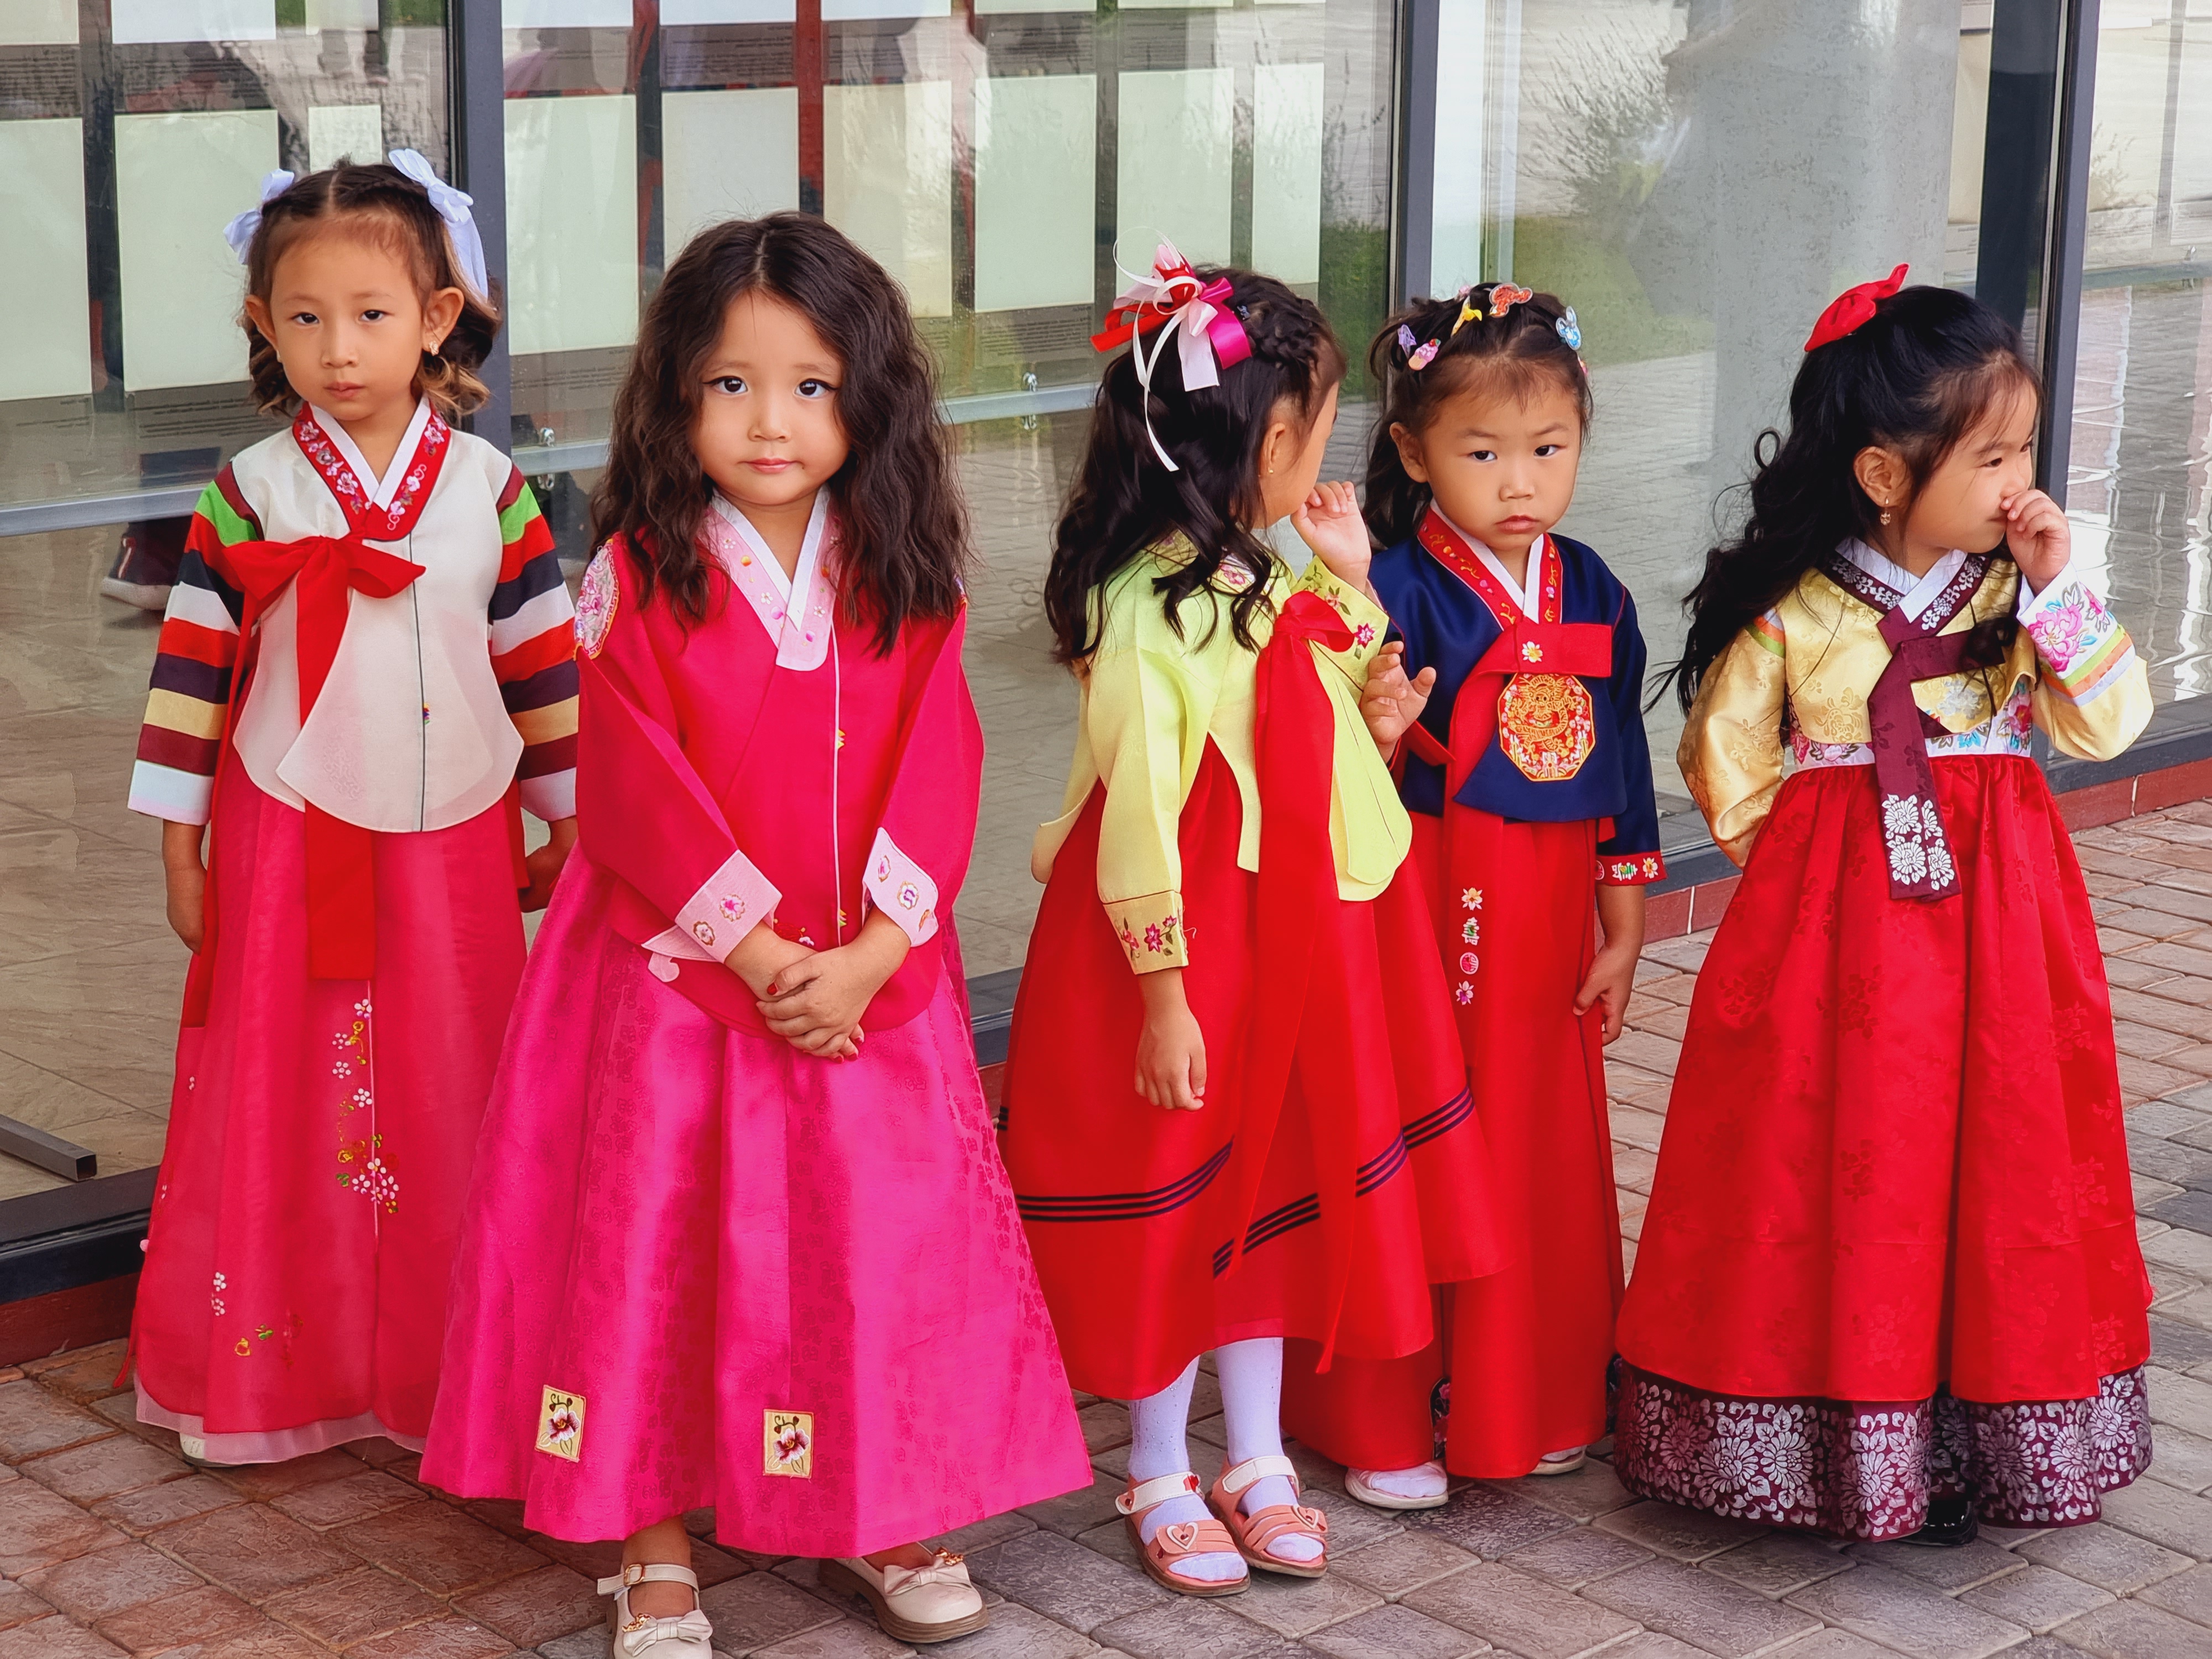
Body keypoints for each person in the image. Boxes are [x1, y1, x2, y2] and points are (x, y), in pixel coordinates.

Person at [420, 215, 1091, 1657]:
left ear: (868, 401)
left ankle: (874, 1502)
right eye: (731, 384)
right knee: (655, 1247)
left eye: (810, 386)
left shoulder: (903, 570)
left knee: (866, 1247)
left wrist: (871, 956)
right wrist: (760, 952)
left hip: (865, 975)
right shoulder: (638, 575)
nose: (770, 422)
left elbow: (941, 757)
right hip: (670, 976)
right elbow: (629, 780)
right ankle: (652, 1541)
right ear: (675, 395)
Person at [1614, 270, 2156, 1543]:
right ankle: (1834, 1445)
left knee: (1993, 1154)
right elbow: (1724, 762)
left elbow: (2108, 724)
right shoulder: (1801, 611)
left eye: (2023, 450)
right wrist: (1812, 875)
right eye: (1989, 457)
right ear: (1879, 474)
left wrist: (2054, 587)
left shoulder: (2012, 597)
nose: (2017, 483)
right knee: (1843, 1160)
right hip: (1837, 941)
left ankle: (1969, 1439)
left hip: (2001, 937)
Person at [999, 248, 1502, 1597]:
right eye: (1318, 428)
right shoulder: (1140, 606)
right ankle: (1160, 1465)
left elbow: (1320, 708)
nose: (1323, 454)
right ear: (1269, 440)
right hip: (1185, 941)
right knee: (1179, 1197)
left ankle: (1258, 1453)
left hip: (1291, 931)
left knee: (1274, 1184)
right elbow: (1138, 814)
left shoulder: (1258, 574)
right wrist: (1162, 995)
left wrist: (1356, 613)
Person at [124, 157, 578, 1464]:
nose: (339, 348)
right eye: (306, 317)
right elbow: (191, 679)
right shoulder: (248, 491)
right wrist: (182, 848)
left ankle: (451, 1365)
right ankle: (286, 1365)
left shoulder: (489, 489)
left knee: (453, 1070)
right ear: (261, 324)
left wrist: (568, 818)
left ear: (436, 318)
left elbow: (543, 662)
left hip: (458, 835)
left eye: (372, 315)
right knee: (285, 1072)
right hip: (285, 829)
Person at [1280, 284, 1662, 1506]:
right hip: (1428, 891)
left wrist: (1622, 928)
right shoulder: (1388, 586)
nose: (1519, 483)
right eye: (1482, 452)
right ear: (1412, 451)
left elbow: (1620, 763)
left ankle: (1533, 1394)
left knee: (1538, 1140)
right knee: (1418, 1122)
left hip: (1550, 910)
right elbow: (1331, 757)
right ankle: (1388, 1411)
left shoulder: (1596, 590)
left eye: (1548, 450)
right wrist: (1381, 733)